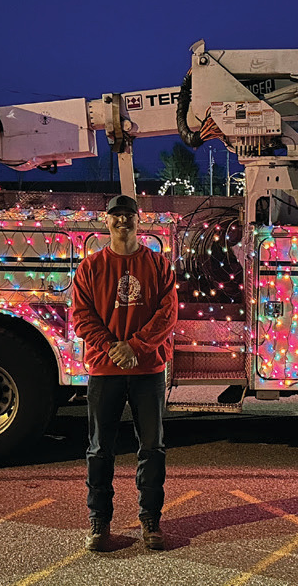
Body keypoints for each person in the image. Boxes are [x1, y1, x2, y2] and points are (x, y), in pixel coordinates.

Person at [72, 194, 177, 552]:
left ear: (138, 220)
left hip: (147, 369)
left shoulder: (158, 265)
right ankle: (99, 522)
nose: (122, 222)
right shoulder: (90, 267)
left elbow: (167, 315)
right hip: (105, 370)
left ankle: (150, 519)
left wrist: (135, 347)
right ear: (106, 221)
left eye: (128, 215)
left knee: (152, 446)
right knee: (100, 449)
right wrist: (113, 348)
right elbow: (82, 316)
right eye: (116, 216)